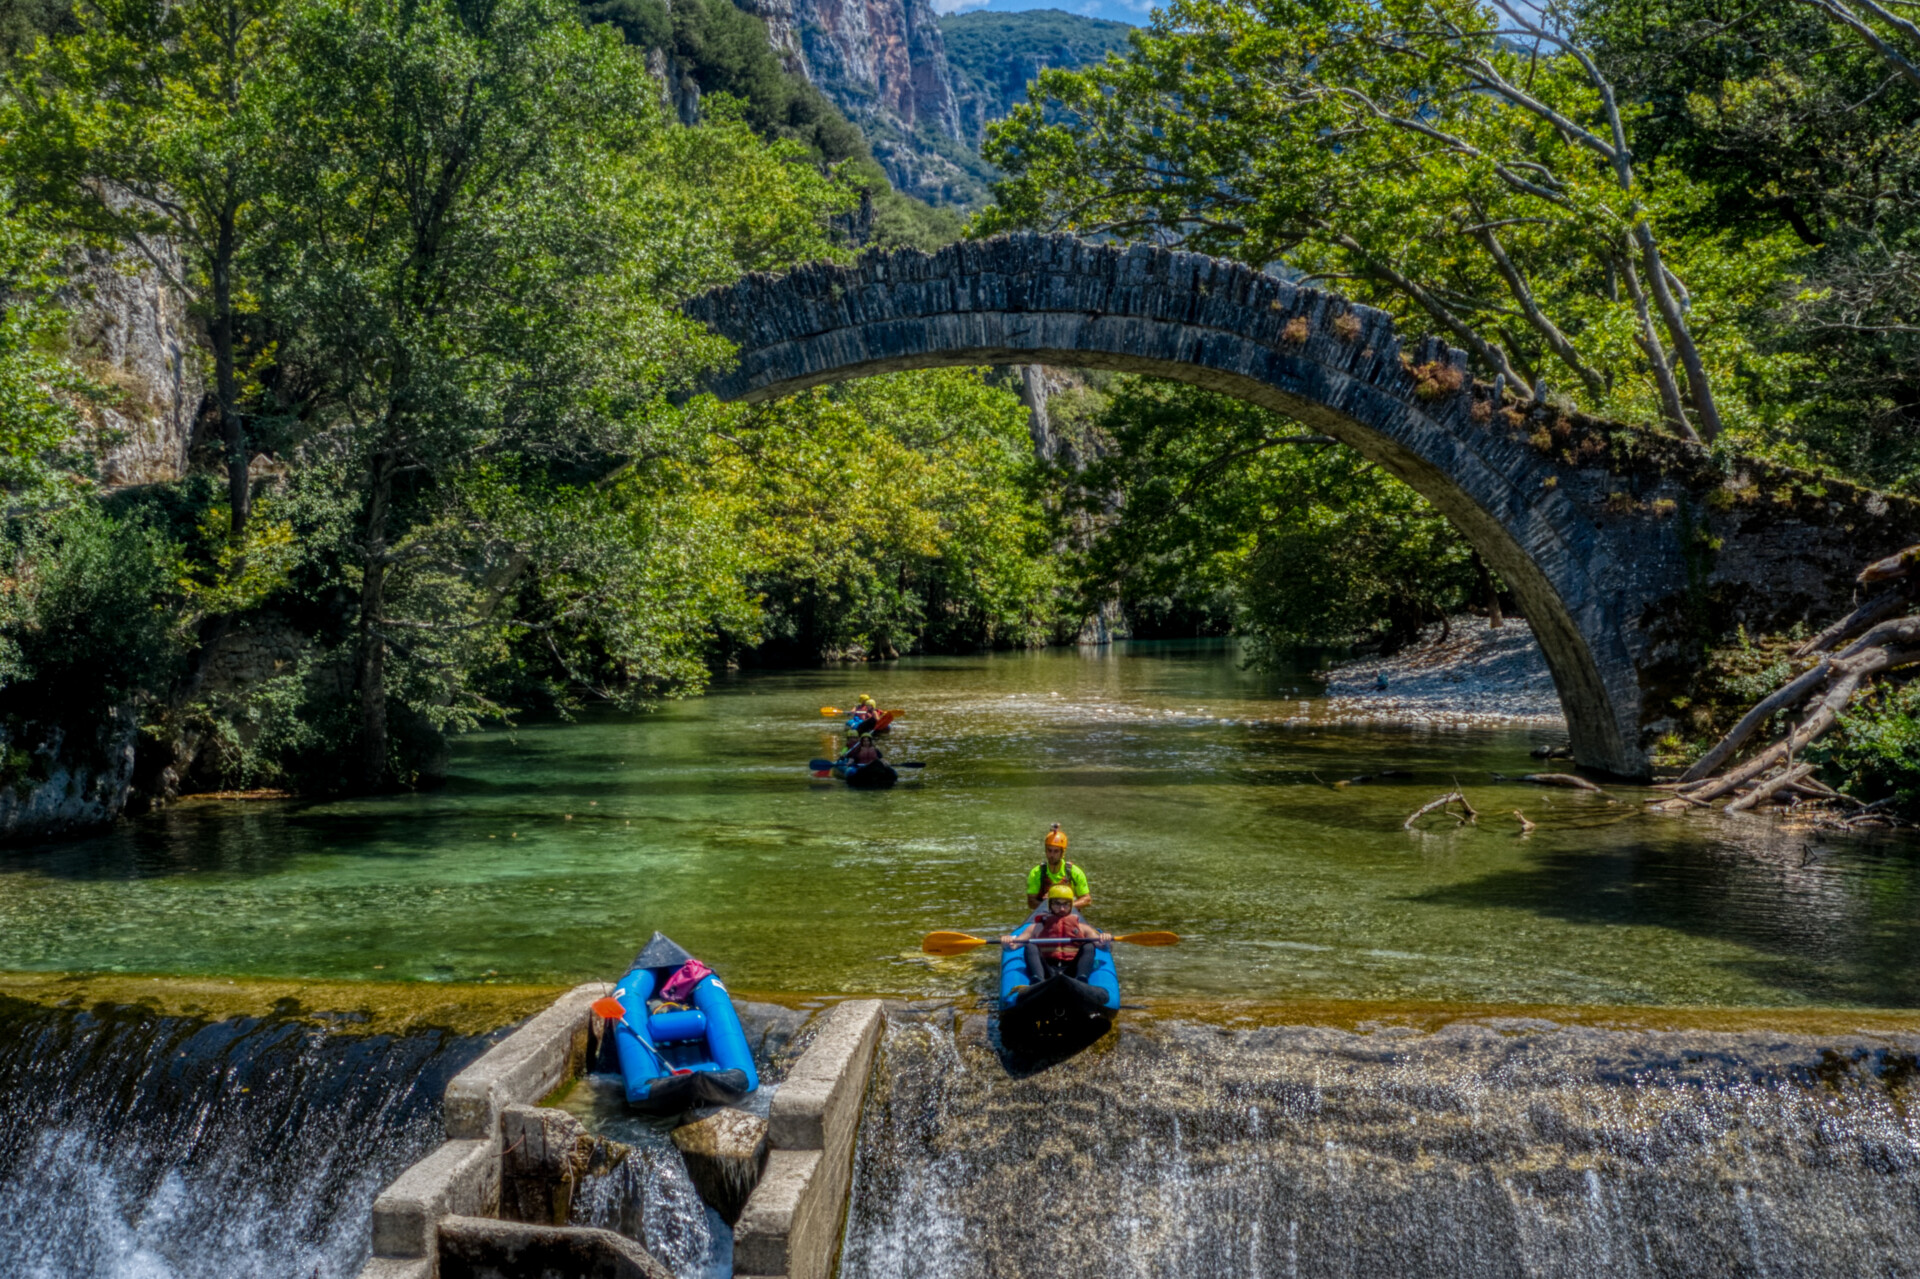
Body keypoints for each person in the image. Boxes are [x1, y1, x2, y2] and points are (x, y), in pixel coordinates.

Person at [1002, 885, 1110, 985]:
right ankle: (1038, 981)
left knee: (1089, 945)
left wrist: (1105, 941)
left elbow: (1103, 947)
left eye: (1066, 904)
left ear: (1071, 905)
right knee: (1030, 945)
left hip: (1072, 969)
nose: (1062, 908)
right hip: (1047, 969)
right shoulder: (1036, 927)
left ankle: (1081, 979)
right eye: (1057, 904)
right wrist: (1007, 943)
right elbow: (1013, 946)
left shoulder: (1083, 928)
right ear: (1050, 905)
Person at [1025, 824, 1089, 912]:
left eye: (1056, 851)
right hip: (1044, 915)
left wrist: (1065, 906)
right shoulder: (1036, 872)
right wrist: (1050, 906)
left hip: (1068, 915)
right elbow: (1031, 902)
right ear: (1045, 850)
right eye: (1049, 850)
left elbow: (1087, 900)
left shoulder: (1075, 872)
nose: (1052, 855)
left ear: (1062, 853)